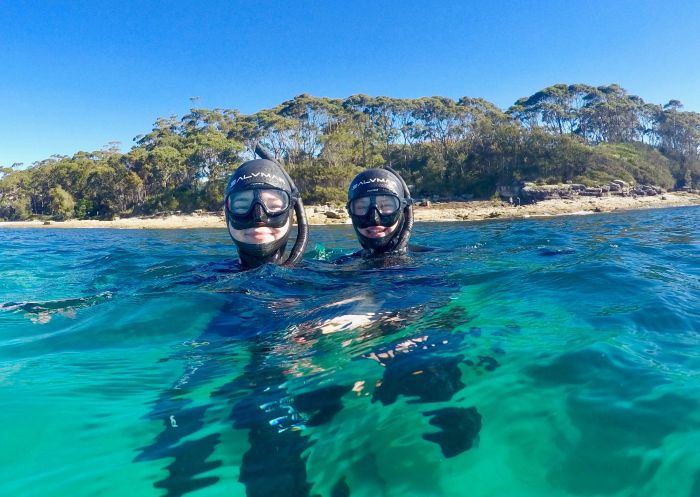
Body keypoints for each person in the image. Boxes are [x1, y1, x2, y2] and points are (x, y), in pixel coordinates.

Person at [224, 145, 308, 269]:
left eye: (274, 206)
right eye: (242, 206)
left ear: (292, 214)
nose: (259, 217)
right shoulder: (203, 278)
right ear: (227, 215)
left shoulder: (325, 276)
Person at [345, 166, 415, 257]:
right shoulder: (339, 264)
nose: (374, 219)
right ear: (350, 212)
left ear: (403, 210)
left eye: (386, 206)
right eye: (362, 207)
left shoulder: (433, 257)